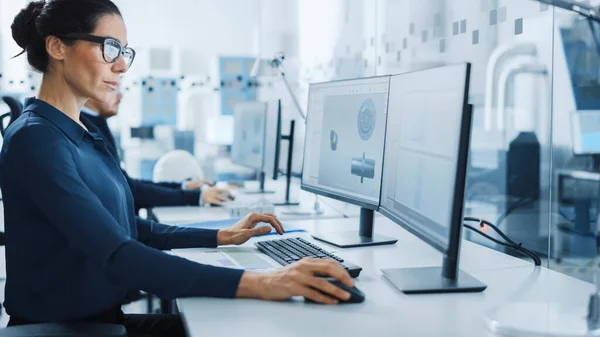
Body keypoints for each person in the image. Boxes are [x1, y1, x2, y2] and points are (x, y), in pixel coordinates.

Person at [0, 1, 353, 336]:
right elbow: (119, 255)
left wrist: (218, 236)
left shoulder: (80, 132)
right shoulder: (37, 141)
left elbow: (128, 229)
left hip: (101, 322)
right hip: (69, 330)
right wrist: (262, 281)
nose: (121, 66)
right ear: (57, 47)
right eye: (109, 48)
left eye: (124, 52)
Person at [82, 92, 234, 210]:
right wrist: (196, 197)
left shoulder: (97, 122)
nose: (120, 96)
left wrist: (183, 187)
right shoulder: (87, 127)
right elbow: (131, 191)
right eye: (113, 88)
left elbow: (127, 184)